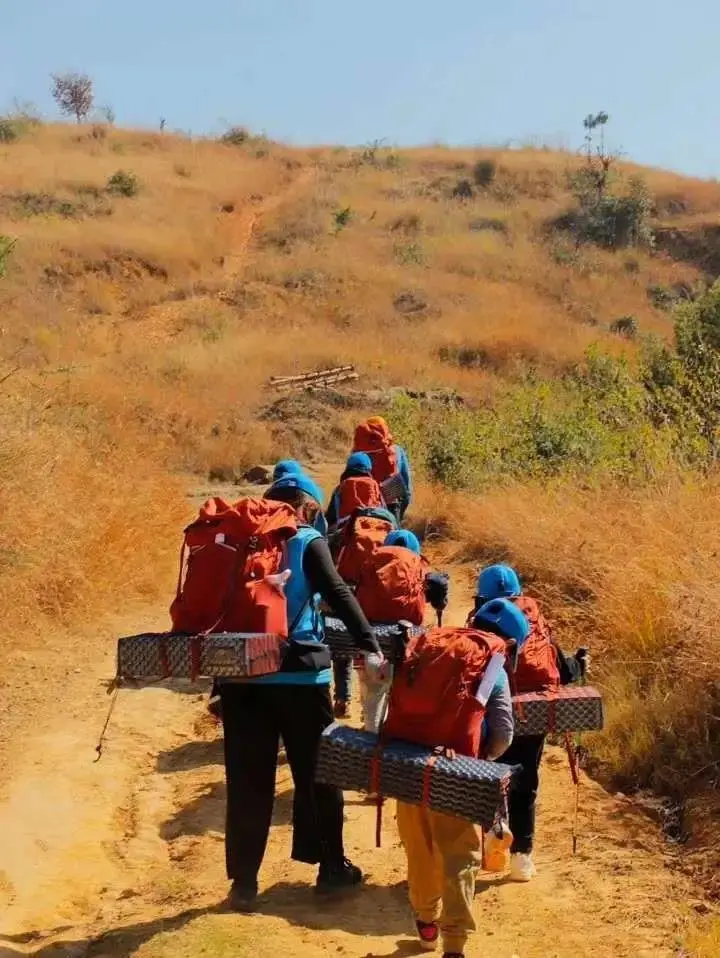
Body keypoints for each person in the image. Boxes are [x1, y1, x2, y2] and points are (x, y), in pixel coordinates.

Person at [218, 471, 384, 907]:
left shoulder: (241, 539)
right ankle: (331, 868)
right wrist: (368, 646)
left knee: (248, 779)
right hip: (301, 677)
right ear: (307, 504)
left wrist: (219, 683)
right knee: (318, 775)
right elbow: (339, 594)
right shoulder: (307, 539)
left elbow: (222, 612)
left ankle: (244, 882)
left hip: (243, 678)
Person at [394, 599, 527, 958]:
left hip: (407, 762)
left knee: (419, 848)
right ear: (511, 642)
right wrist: (482, 760)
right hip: (458, 769)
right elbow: (502, 733)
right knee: (459, 855)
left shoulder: (430, 646)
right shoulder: (492, 665)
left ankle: (425, 925)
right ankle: (454, 943)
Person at [469, 564, 588, 882]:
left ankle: (494, 839)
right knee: (526, 782)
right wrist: (580, 665)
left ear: (482, 595)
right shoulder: (533, 615)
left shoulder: (478, 619)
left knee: (491, 775)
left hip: (494, 712)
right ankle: (522, 857)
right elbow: (561, 668)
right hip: (534, 711)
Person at [354, 529, 449, 733]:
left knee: (372, 695)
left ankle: (371, 738)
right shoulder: (420, 569)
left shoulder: (371, 561)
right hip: (407, 642)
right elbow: (439, 589)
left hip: (371, 642)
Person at [351, 416, 412, 520]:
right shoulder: (397, 451)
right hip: (391, 497)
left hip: (364, 501)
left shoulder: (358, 452)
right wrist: (400, 515)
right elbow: (407, 490)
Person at [325, 452, 385, 532]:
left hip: (347, 530)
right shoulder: (375, 486)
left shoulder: (340, 488)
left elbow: (330, 518)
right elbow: (384, 511)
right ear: (369, 469)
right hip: (373, 528)